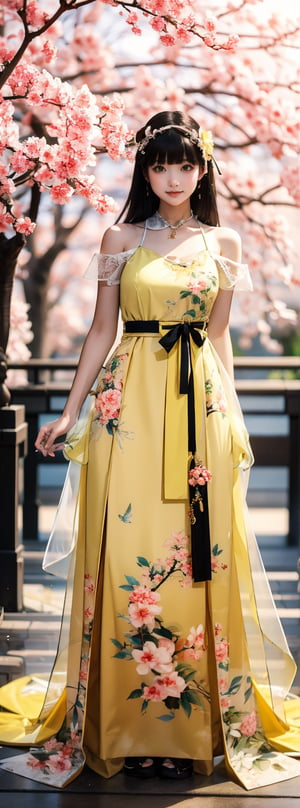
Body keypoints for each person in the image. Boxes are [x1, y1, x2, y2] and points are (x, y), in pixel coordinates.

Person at [0, 110, 300, 790]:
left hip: (200, 407)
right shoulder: (119, 236)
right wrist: (71, 411)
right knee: (128, 557)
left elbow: (219, 338)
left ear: (203, 170)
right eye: (160, 165)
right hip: (125, 409)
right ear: (145, 170)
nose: (172, 177)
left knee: (199, 560)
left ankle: (190, 730)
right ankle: (121, 730)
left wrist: (236, 421)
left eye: (184, 165)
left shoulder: (223, 242)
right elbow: (101, 328)